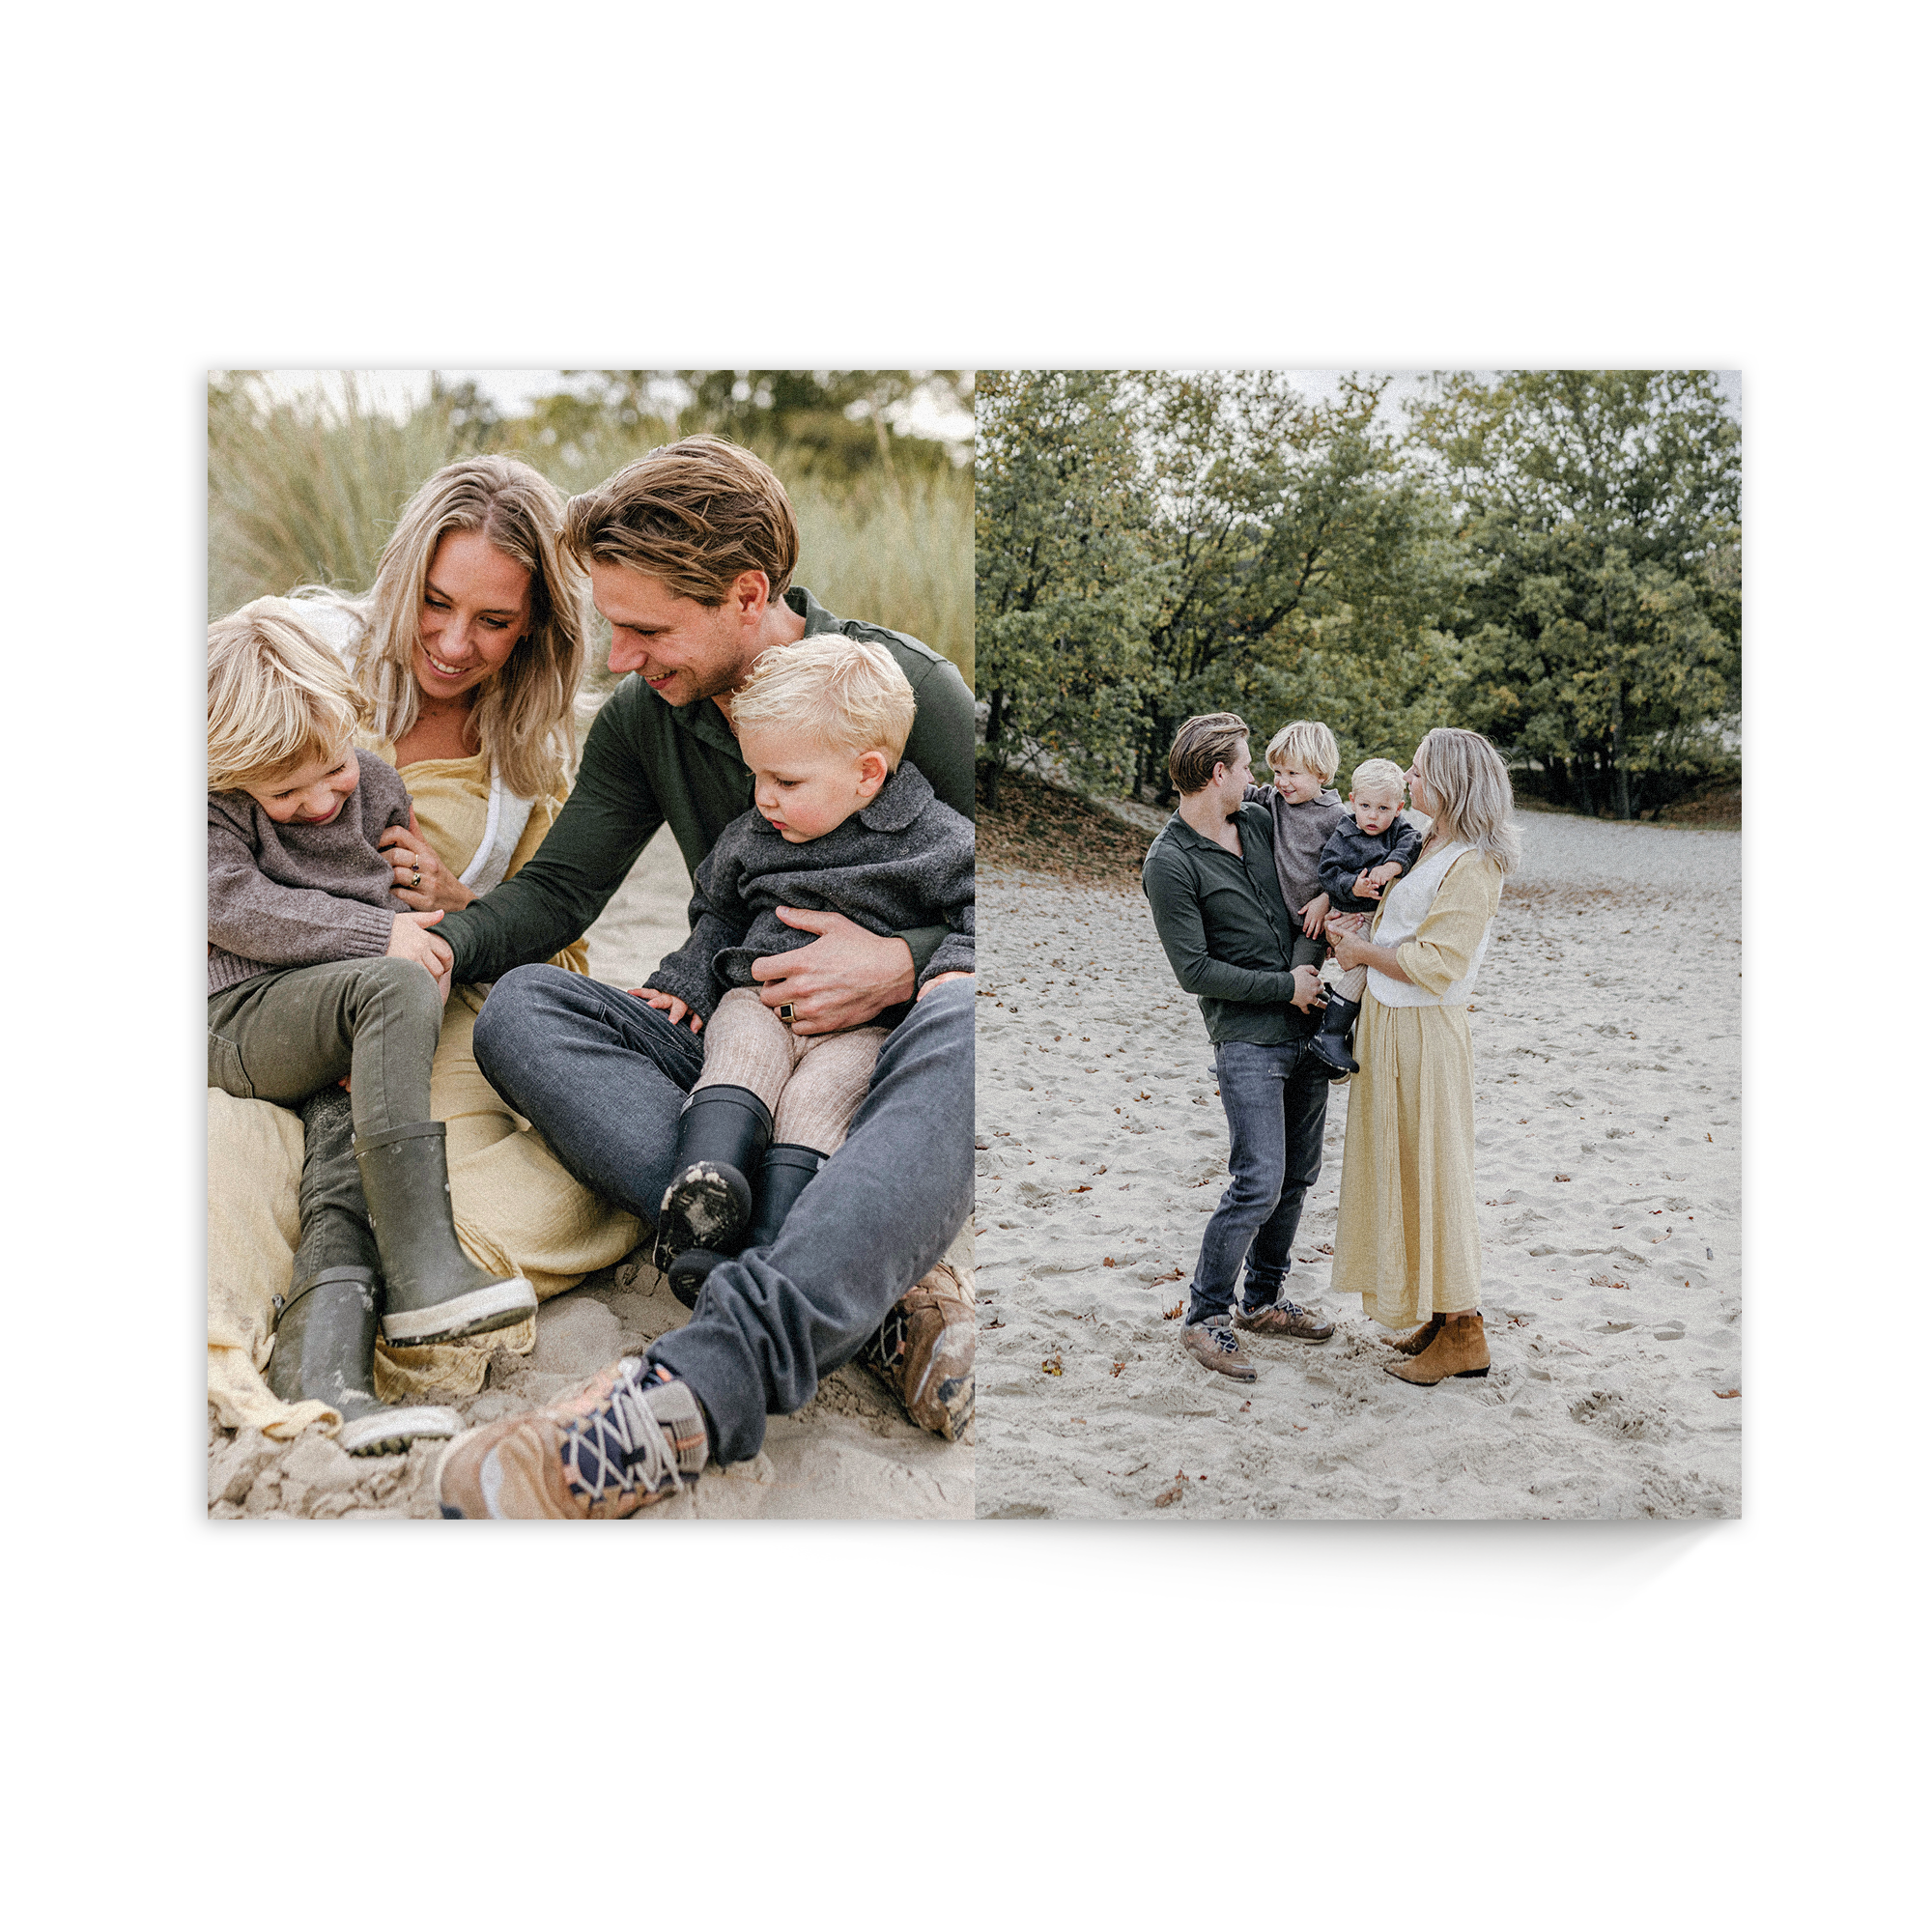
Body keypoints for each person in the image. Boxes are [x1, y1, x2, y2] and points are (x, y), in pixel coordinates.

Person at [426, 435, 978, 1520]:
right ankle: (863, 1292)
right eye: (610, 625)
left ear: (745, 594)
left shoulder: (911, 694)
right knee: (530, 1010)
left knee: (971, 1019)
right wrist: (442, 942)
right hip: (742, 1039)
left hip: (887, 1061)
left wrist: (895, 964)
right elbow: (560, 894)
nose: (619, 656)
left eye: (644, 629)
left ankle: (697, 1383)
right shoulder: (646, 719)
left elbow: (991, 911)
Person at [207, 455, 629, 1450]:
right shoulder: (296, 655)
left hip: (407, 1026)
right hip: (266, 1007)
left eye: (491, 620)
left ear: (535, 623)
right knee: (240, 1170)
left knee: (568, 1175)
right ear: (403, 576)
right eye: (434, 603)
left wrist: (463, 905)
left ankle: (351, 1334)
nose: (451, 642)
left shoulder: (529, 757)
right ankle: (322, 1319)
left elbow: (556, 954)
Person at [206, 600, 536, 1451]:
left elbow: (393, 896)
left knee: (343, 1169)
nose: (321, 801)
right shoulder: (209, 808)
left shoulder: (377, 784)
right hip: (236, 1021)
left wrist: (419, 903)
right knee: (396, 980)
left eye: (333, 771)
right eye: (288, 793)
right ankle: (425, 1269)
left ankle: (322, 1377)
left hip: (325, 1022)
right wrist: (374, 940)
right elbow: (230, 907)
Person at [637, 633, 974, 1306]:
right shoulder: (754, 836)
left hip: (860, 1029)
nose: (763, 798)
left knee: (820, 1099)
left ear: (867, 774)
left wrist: (949, 965)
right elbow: (718, 914)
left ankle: (774, 1242)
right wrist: (684, 981)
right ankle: (707, 1191)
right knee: (738, 1055)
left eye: (786, 782)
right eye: (756, 775)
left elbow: (975, 910)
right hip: (758, 998)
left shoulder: (936, 841)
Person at [1141, 713, 1338, 1385]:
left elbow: (1322, 851)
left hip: (1309, 1028)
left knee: (1297, 1177)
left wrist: (1313, 952)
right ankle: (1204, 1316)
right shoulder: (1167, 863)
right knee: (1256, 1181)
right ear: (1217, 774)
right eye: (1248, 766)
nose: (1257, 776)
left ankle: (1263, 1300)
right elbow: (1193, 971)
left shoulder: (1259, 822)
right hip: (1247, 1039)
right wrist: (1285, 985)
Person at [1325, 727, 1520, 1385]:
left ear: (1453, 781)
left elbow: (1439, 963)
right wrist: (1359, 929)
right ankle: (1441, 1315)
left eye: (1418, 771)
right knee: (1406, 1166)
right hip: (1389, 1021)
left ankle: (1465, 1328)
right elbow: (1404, 925)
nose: (1408, 780)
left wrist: (1360, 955)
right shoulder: (1428, 840)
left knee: (1435, 1167)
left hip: (1427, 1032)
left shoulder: (1477, 861)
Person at [1306, 756, 1425, 1078]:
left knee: (1372, 967)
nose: (1373, 816)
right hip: (1353, 914)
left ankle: (1339, 1021)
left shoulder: (1399, 830)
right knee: (1363, 966)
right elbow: (1328, 874)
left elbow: (1413, 844)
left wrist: (1392, 867)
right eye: (1366, 806)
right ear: (1352, 801)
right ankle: (1330, 1033)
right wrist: (1353, 887)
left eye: (1384, 809)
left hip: (1381, 915)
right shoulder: (1344, 834)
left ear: (1399, 807)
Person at [1241, 719, 1350, 981]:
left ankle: (1329, 1019)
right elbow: (1239, 790)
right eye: (1278, 772)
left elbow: (1350, 868)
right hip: (1277, 916)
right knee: (1272, 976)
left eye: (1293, 773)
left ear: (1320, 775)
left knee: (1300, 977)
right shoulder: (1273, 800)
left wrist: (1325, 900)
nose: (1283, 782)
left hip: (1311, 925)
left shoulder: (1335, 816)